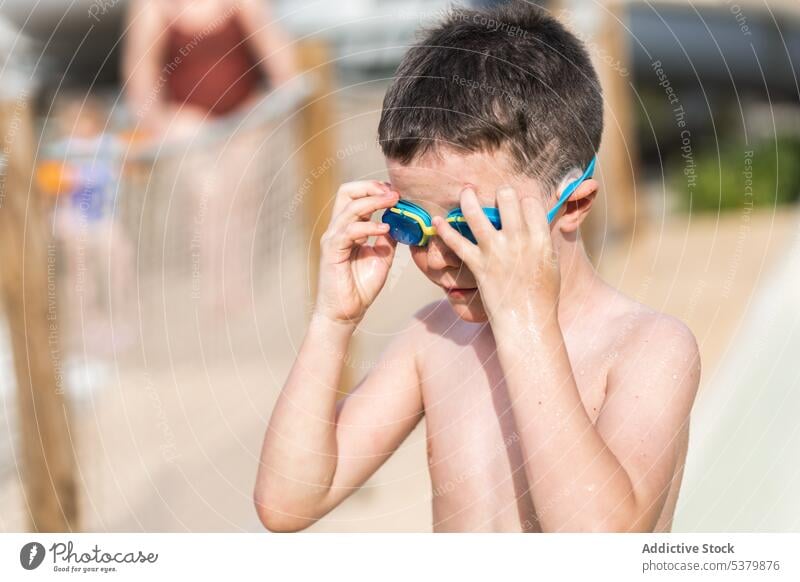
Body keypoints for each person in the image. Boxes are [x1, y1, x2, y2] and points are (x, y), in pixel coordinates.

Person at [255, 2, 701, 532]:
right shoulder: (433, 341)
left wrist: (525, 323)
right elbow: (288, 503)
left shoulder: (648, 348)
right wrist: (332, 320)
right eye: (409, 222)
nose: (440, 255)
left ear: (574, 205)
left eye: (471, 227)